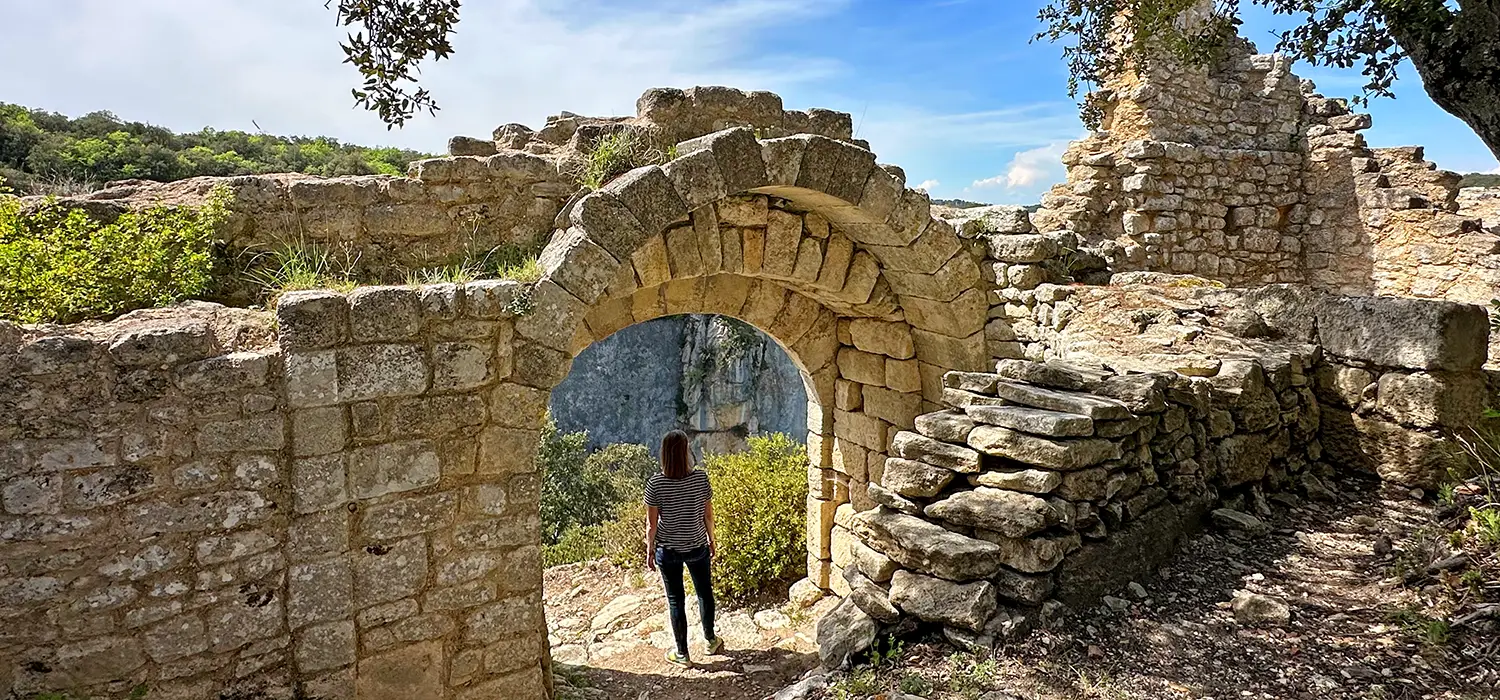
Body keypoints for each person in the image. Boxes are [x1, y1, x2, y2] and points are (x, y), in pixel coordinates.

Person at [644, 429, 721, 667]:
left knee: (676, 600)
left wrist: (649, 551)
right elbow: (708, 516)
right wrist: (712, 539)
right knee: (704, 592)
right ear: (686, 451)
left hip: (668, 550)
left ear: (664, 454)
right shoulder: (701, 479)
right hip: (697, 545)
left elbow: (651, 525)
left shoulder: (655, 484)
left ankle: (682, 654)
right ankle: (710, 640)